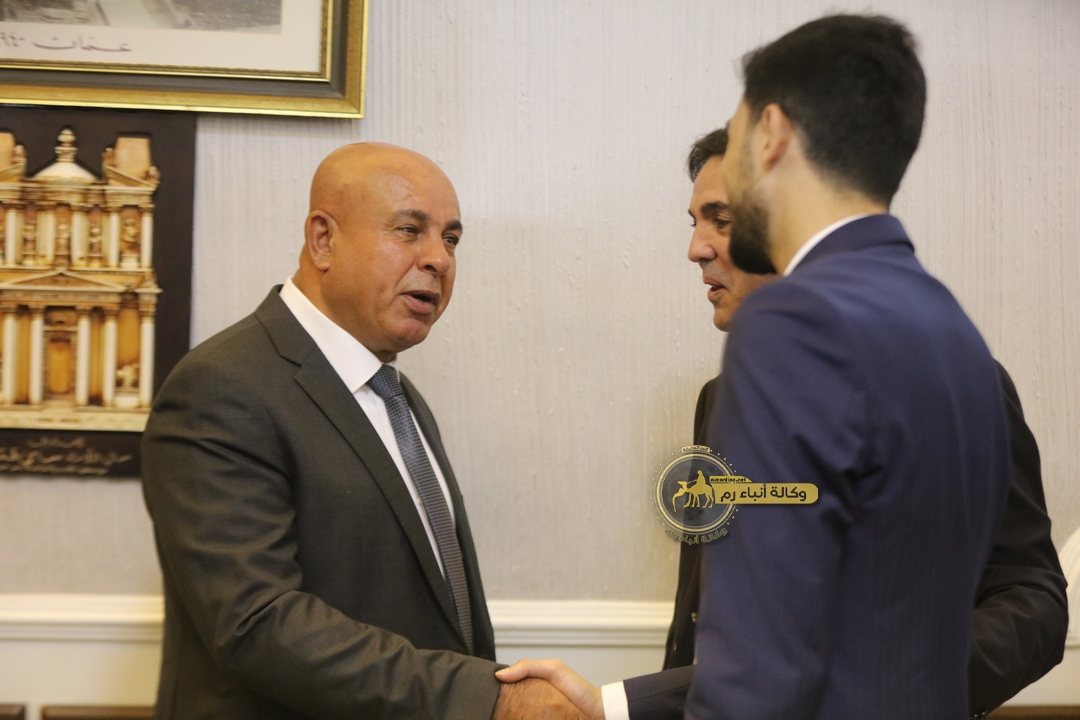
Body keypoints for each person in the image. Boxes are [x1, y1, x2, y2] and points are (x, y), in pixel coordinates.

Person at [502, 14, 1028, 719]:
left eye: (740, 131)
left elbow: (759, 670)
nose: (698, 246)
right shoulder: (949, 326)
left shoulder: (792, 325)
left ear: (772, 133)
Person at [141, 143, 585, 720]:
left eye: (451, 239)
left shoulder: (395, 395)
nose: (440, 259)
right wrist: (486, 698)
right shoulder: (221, 386)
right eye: (409, 230)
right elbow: (256, 623)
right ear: (323, 240)